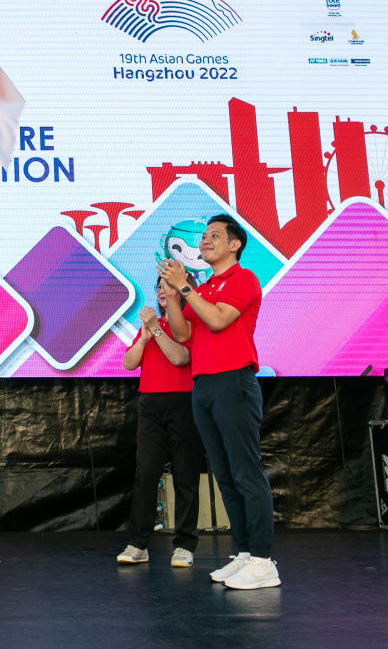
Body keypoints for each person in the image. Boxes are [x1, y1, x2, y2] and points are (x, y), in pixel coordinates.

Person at [158, 214, 278, 590]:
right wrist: (174, 295)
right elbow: (183, 333)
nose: (205, 241)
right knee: (225, 475)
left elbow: (220, 320)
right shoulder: (206, 286)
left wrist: (187, 290)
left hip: (233, 381)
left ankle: (262, 560)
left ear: (234, 244)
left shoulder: (243, 279)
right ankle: (244, 554)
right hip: (204, 384)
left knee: (246, 471)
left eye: (214, 236)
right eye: (204, 236)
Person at [117, 277, 203, 569]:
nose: (161, 292)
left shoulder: (190, 322)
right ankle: (138, 543)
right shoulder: (150, 328)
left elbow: (180, 358)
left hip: (183, 403)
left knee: (185, 474)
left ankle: (184, 545)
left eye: (168, 286)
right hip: (150, 403)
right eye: (158, 288)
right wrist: (144, 336)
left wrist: (156, 329)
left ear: (182, 290)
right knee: (146, 474)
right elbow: (129, 364)